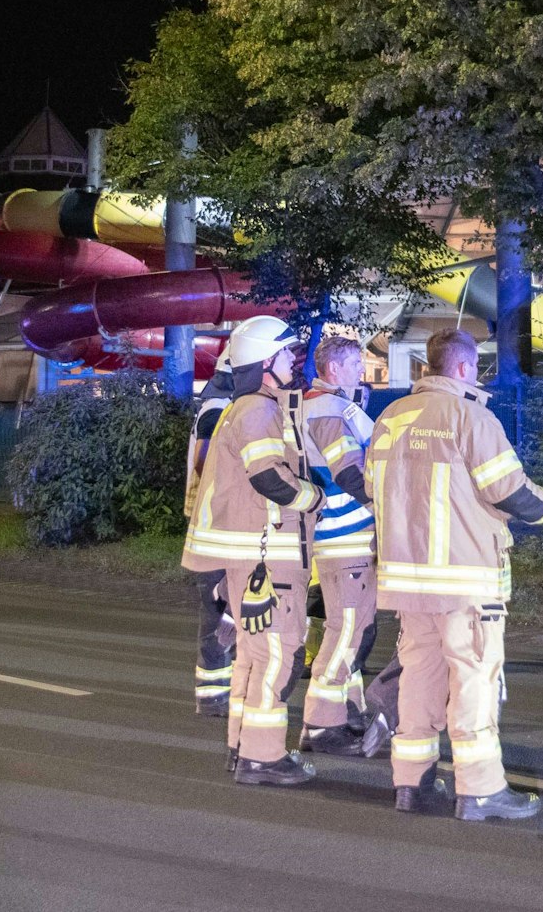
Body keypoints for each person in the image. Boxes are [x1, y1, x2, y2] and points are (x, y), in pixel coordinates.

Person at [371, 328, 543, 820]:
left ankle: (411, 784)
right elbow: (510, 493)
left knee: (418, 676)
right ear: (462, 368)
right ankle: (480, 790)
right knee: (474, 678)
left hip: (407, 579)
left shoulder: (391, 417)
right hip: (465, 580)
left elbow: (370, 486)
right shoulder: (471, 417)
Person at [184, 315, 323, 787]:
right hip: (270, 559)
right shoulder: (259, 411)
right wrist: (314, 498)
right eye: (286, 354)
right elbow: (269, 478)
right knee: (276, 657)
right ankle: (262, 758)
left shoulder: (246, 408)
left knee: (252, 655)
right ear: (268, 363)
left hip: (254, 557)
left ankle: (243, 748)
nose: (292, 361)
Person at [297, 336, 380, 756]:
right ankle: (320, 723)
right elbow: (350, 473)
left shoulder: (319, 405)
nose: (361, 372)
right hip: (347, 535)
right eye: (355, 365)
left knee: (354, 627)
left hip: (336, 534)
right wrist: (388, 506)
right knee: (347, 630)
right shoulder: (328, 411)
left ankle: (349, 711)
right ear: (334, 370)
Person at [184, 359, 238, 719]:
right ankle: (214, 692)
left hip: (213, 523)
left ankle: (216, 689)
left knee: (223, 610)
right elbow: (206, 466)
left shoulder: (217, 403)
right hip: (216, 525)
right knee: (219, 611)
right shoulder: (218, 409)